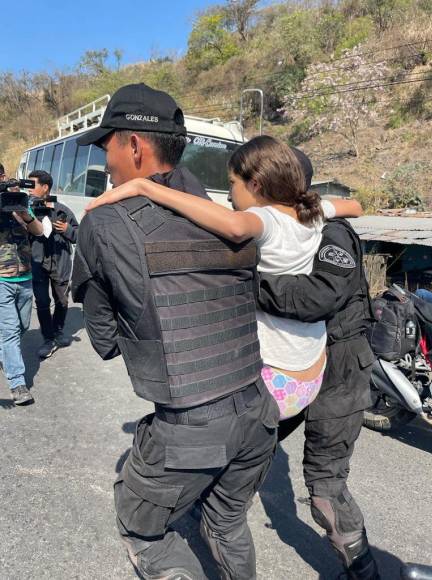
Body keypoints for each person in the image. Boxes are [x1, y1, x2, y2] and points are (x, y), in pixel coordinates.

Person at [71, 83, 279, 580]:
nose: (107, 158)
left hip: (193, 428)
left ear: (135, 146)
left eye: (107, 145)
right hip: (259, 413)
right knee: (226, 522)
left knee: (144, 530)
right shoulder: (230, 215)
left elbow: (102, 340)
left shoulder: (107, 221)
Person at [86, 136, 363, 423]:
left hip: (277, 380)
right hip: (311, 373)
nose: (230, 195)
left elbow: (234, 227)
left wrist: (147, 187)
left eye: (232, 183)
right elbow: (355, 206)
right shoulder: (312, 212)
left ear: (255, 184)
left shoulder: (266, 219)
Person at [256, 153, 379, 579]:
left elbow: (317, 298)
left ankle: (364, 573)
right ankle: (213, 517)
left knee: (325, 487)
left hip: (340, 366)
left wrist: (247, 285)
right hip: (296, 364)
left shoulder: (332, 234)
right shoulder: (283, 227)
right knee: (248, 439)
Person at [0, 168, 44, 405]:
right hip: (1, 279)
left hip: (24, 276)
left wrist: (24, 213)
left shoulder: (18, 202)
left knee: (22, 326)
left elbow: (38, 231)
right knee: (9, 331)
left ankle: (5, 354)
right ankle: (17, 384)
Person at [27, 170, 78, 358]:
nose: (29, 190)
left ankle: (57, 330)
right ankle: (48, 339)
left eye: (33, 185)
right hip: (38, 263)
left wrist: (67, 230)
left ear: (45, 187)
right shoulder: (26, 210)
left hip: (61, 263)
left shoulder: (63, 210)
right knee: (42, 302)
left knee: (62, 301)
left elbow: (80, 235)